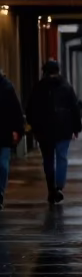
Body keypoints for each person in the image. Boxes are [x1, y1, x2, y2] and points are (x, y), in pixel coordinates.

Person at [25, 59, 82, 205]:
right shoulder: (66, 87)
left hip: (44, 131)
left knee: (48, 159)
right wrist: (76, 128)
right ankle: (59, 186)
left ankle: (51, 187)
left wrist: (33, 126)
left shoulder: (38, 87)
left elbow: (30, 108)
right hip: (64, 129)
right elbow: (74, 108)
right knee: (62, 157)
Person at [0, 68, 25, 211]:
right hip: (5, 133)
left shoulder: (7, 87)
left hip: (4, 133)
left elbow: (16, 110)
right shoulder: (7, 87)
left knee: (3, 164)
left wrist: (17, 130)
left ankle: (0, 192)